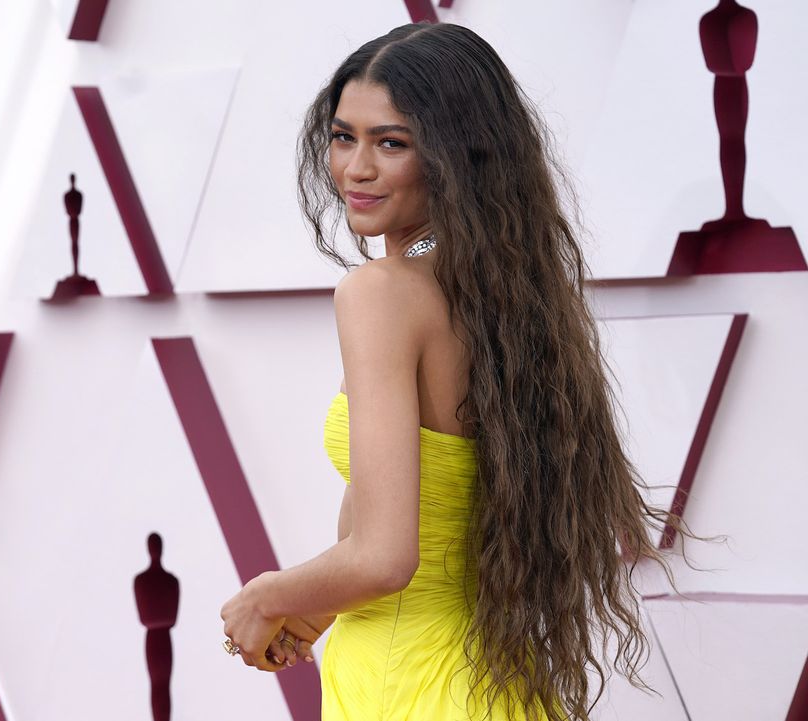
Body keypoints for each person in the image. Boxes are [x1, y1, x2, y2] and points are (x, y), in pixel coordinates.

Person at [219, 21, 715, 720]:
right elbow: (414, 512)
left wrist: (264, 594)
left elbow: (387, 556)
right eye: (342, 136)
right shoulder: (510, 301)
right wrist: (316, 606)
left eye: (391, 142)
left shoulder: (380, 293)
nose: (356, 167)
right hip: (490, 679)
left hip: (407, 684)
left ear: (455, 154)